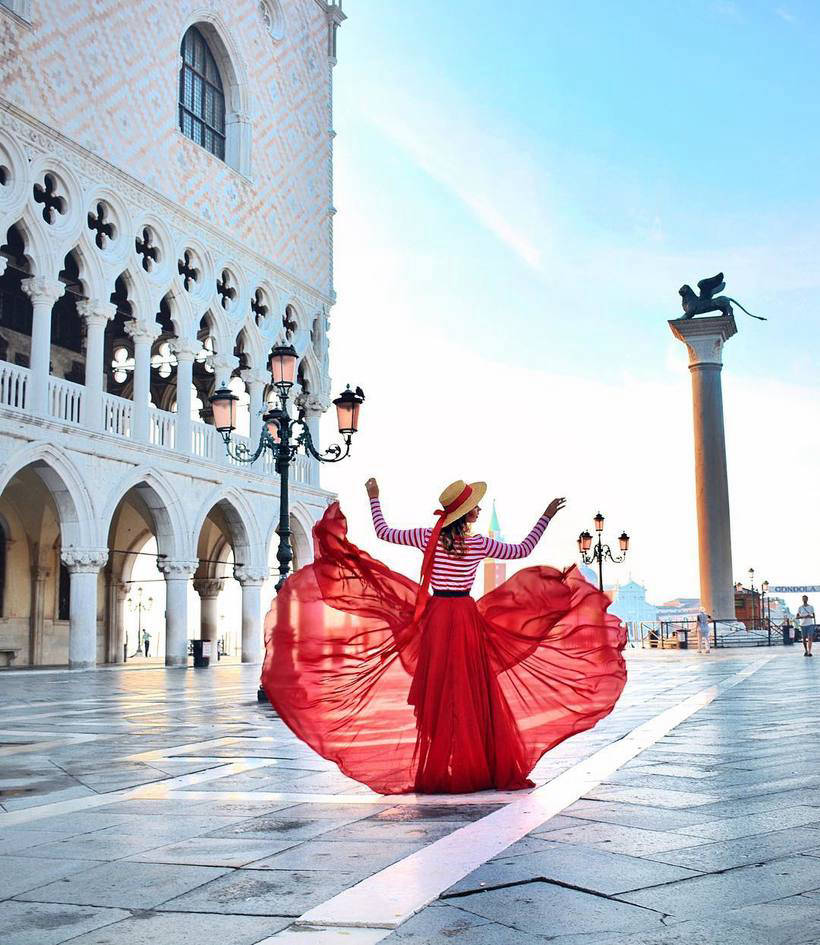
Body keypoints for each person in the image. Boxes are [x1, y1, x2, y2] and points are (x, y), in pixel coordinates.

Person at [261, 478, 627, 795]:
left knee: (437, 690)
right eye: (475, 506)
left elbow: (384, 532)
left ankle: (442, 762)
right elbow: (522, 550)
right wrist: (545, 517)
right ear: (464, 513)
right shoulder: (480, 544)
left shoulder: (427, 537)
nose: (479, 510)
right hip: (465, 618)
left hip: (437, 617)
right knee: (471, 690)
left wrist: (374, 497)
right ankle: (478, 763)